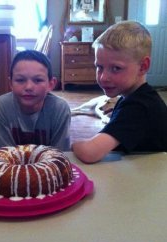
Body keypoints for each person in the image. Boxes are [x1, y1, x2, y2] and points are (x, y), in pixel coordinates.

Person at [72, 20, 167, 163]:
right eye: (99, 67)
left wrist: (74, 145)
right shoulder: (136, 97)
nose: (103, 77)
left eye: (116, 68)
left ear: (143, 67)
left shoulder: (139, 107)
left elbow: (89, 153)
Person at [0, 50, 71, 151]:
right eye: (20, 80)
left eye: (38, 80)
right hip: (13, 165)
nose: (29, 87)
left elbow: (60, 156)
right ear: (10, 83)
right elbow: (2, 154)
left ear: (51, 84)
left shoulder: (60, 108)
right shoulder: (3, 105)